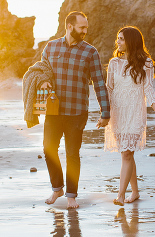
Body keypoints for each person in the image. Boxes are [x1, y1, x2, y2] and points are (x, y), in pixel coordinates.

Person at [39, 11, 111, 209]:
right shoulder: (51, 47)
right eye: (82, 28)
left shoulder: (90, 52)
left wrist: (105, 112)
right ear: (69, 26)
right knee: (48, 149)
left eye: (86, 27)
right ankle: (57, 189)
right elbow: (40, 71)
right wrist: (44, 80)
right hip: (53, 111)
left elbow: (99, 83)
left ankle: (71, 195)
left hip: (77, 112)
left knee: (72, 153)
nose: (85, 31)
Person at [103, 26, 155, 205]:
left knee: (127, 155)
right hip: (118, 113)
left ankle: (121, 195)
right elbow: (109, 89)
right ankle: (135, 192)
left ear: (131, 41)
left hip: (135, 113)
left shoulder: (145, 63)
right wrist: (104, 113)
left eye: (121, 38)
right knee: (126, 153)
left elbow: (148, 88)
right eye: (118, 38)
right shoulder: (114, 63)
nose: (118, 42)